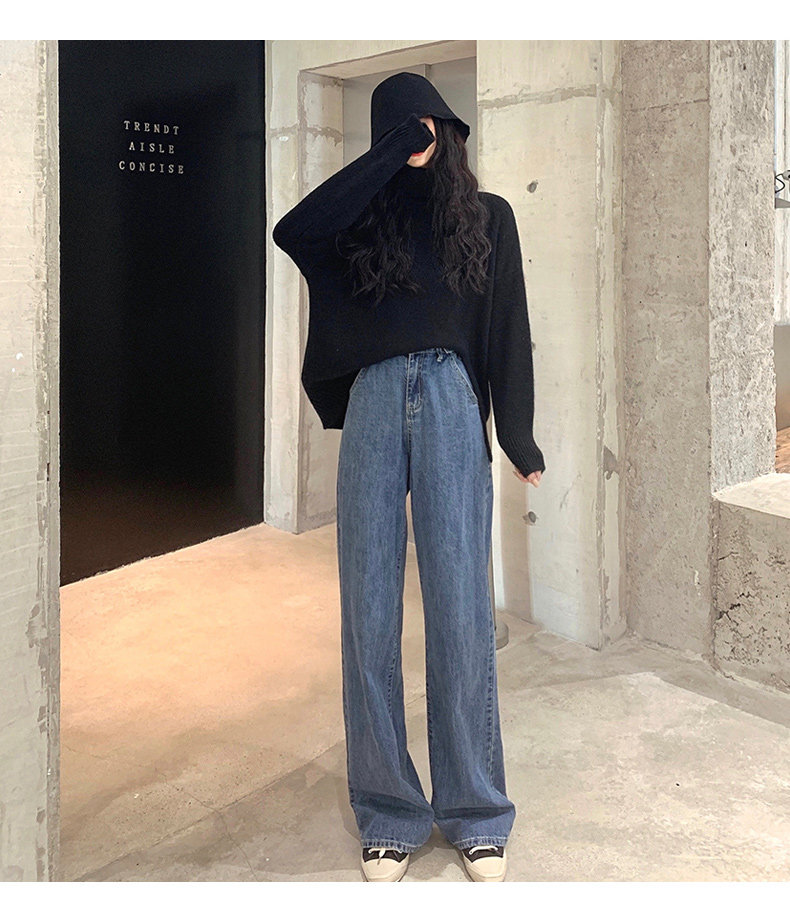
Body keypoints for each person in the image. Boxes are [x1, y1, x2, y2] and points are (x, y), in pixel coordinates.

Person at [273, 71, 545, 883]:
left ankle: (475, 812)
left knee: (461, 608)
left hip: (453, 400)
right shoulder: (360, 222)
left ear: (450, 128)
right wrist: (388, 157)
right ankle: (389, 810)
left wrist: (519, 436)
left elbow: (509, 327)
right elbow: (293, 230)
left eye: (427, 122)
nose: (418, 133)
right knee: (368, 610)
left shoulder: (488, 217)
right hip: (373, 400)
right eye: (400, 125)